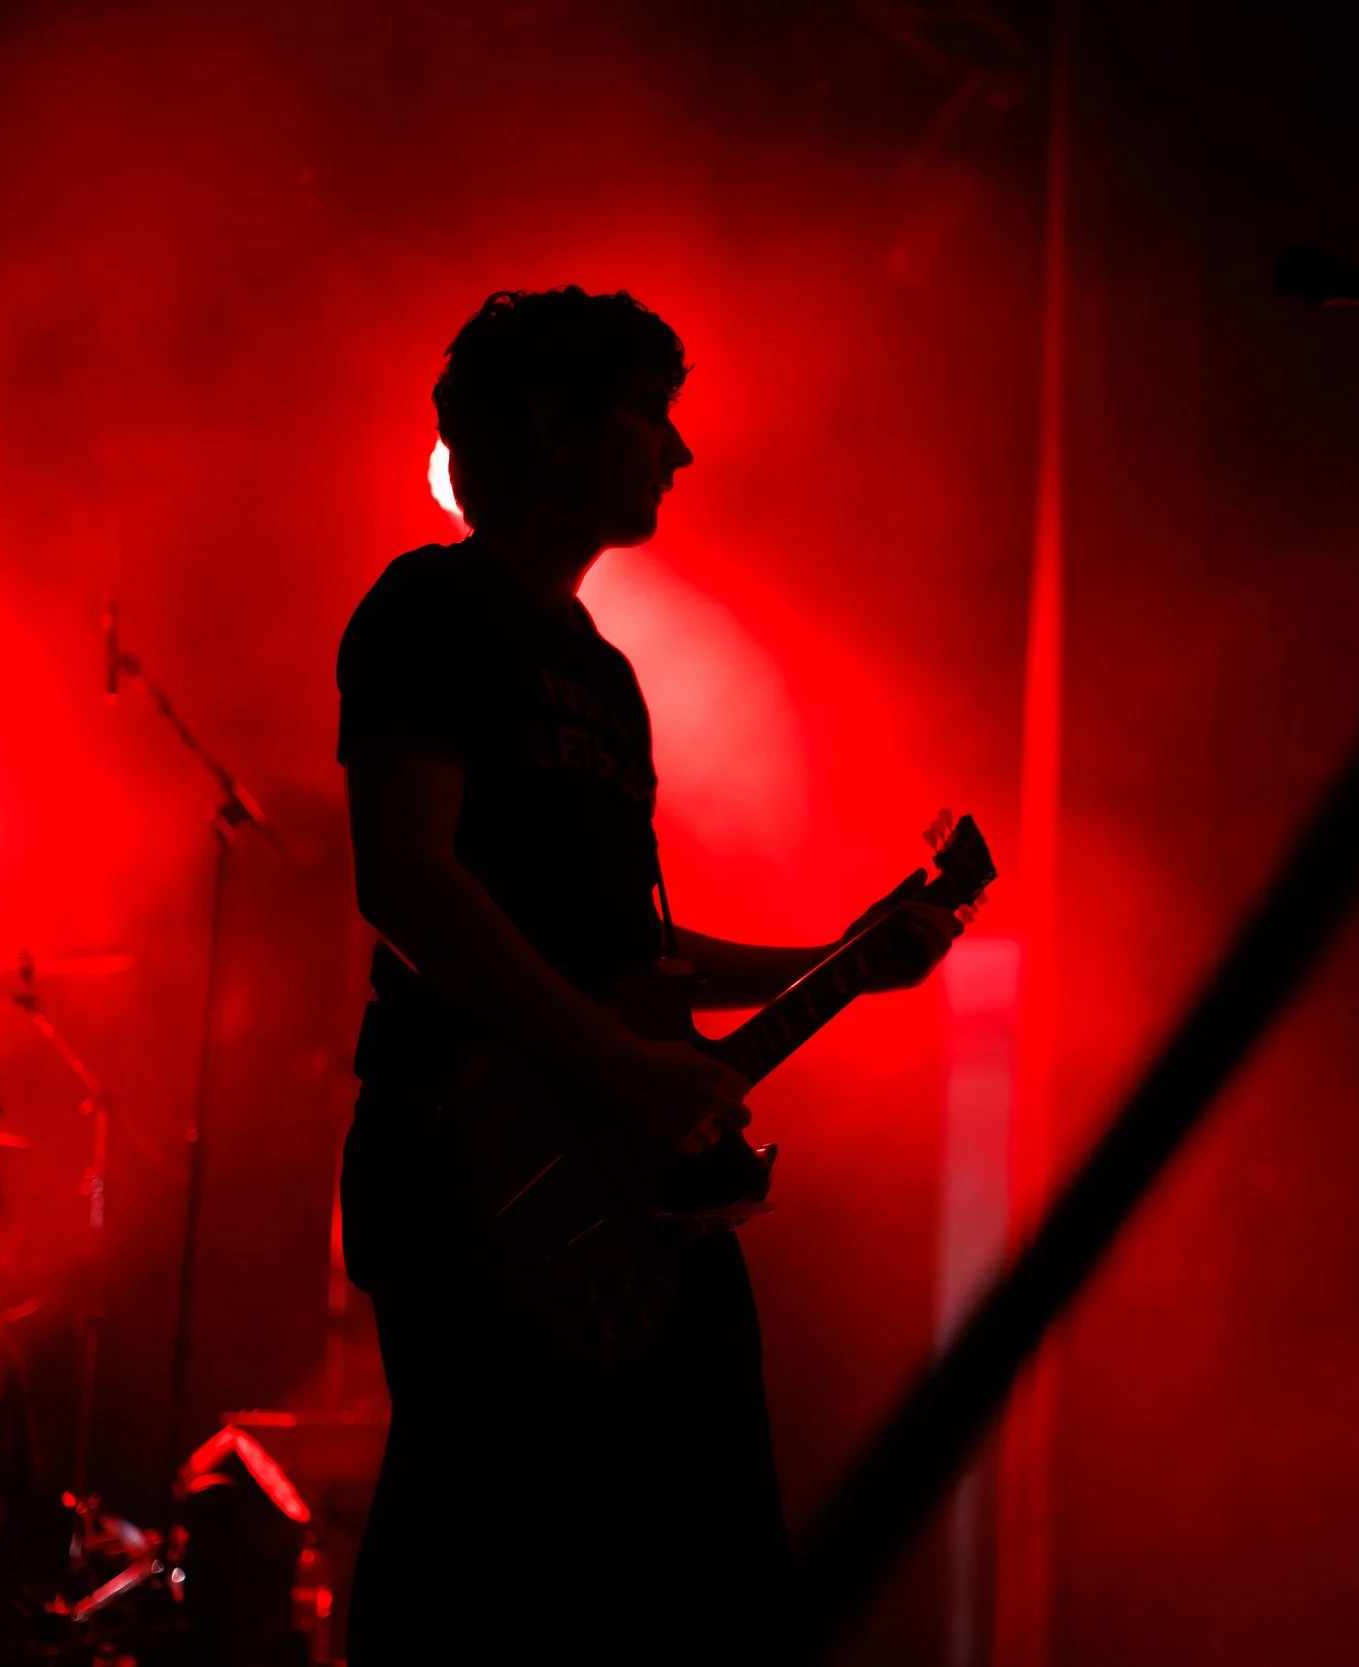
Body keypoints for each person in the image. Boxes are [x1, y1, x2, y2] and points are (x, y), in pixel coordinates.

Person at [334, 287, 961, 1664]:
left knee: (700, 1555)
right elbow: (410, 880)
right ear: (556, 428)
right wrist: (617, 1062)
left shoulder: (604, 672)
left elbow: (638, 950)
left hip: (619, 1181)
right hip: (468, 1155)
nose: (677, 451)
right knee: (474, 1547)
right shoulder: (430, 606)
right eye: (651, 413)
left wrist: (843, 961)